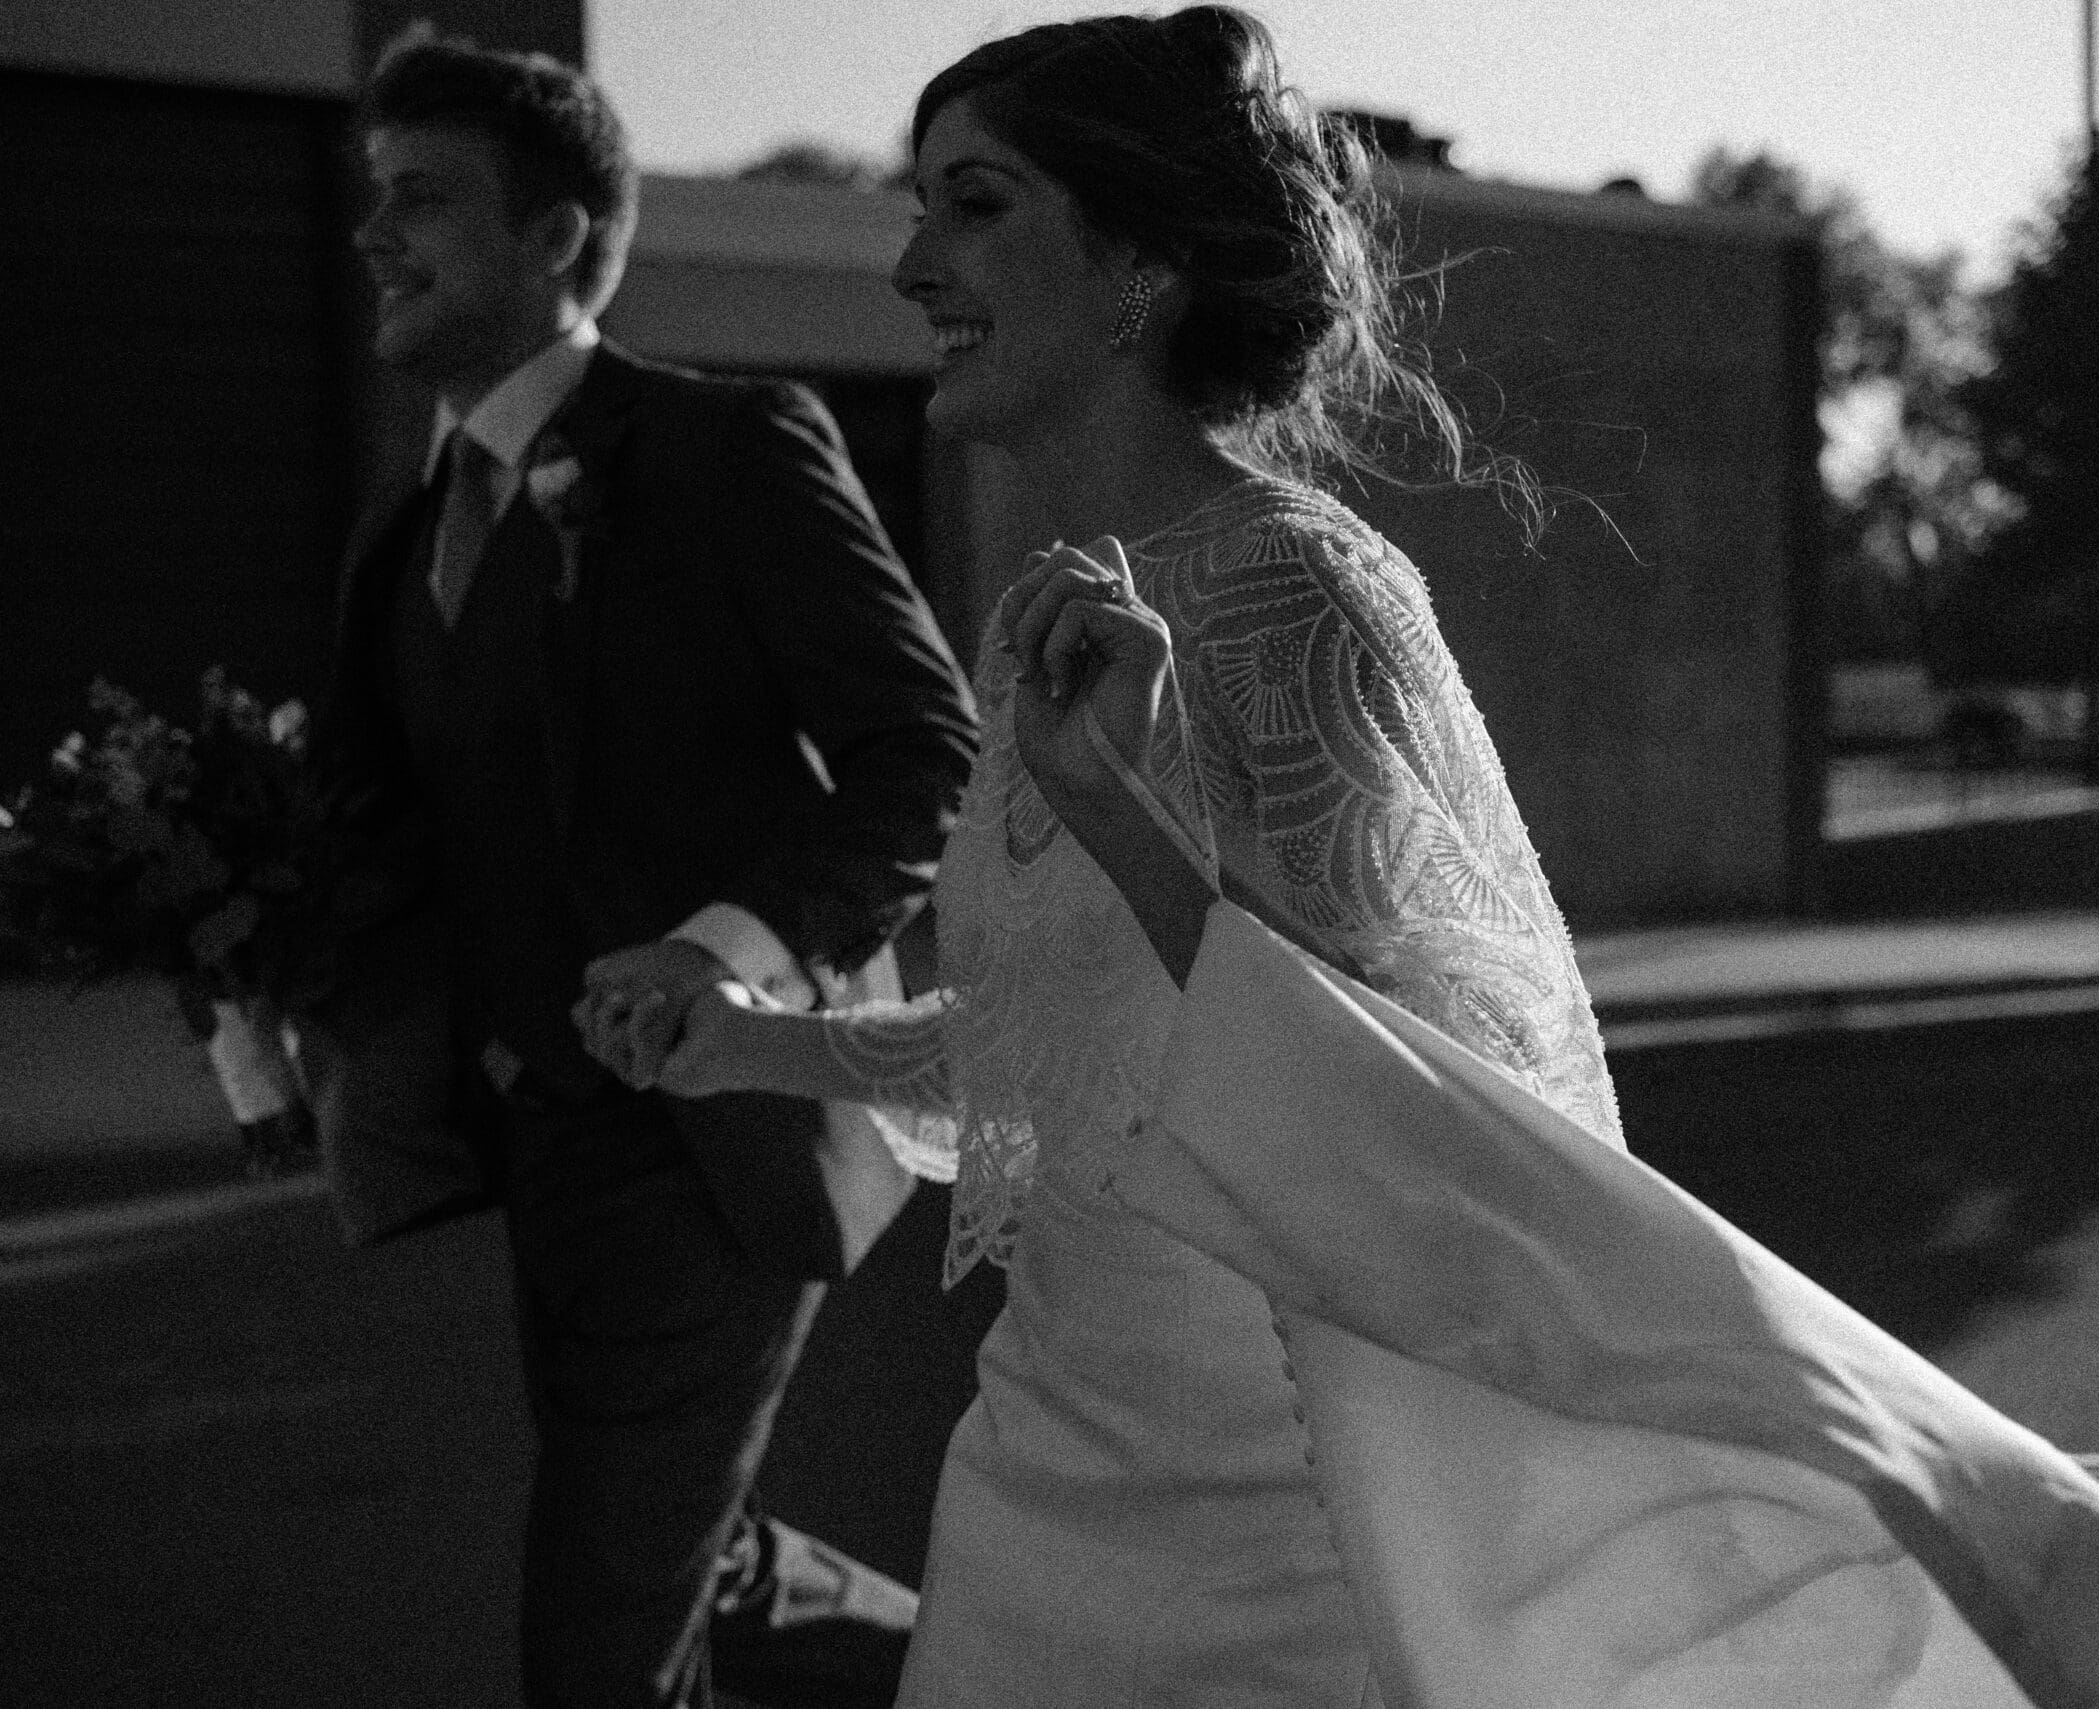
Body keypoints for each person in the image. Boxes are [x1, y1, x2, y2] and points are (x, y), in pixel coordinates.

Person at [579, 8, 1614, 1699]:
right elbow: (1050, 1038)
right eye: (921, 206)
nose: (913, 264)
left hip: (1284, 1517)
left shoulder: (1303, 596)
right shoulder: (1045, 615)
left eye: (973, 205)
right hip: (1040, 1467)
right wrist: (753, 1045)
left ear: (1137, 262)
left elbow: (1430, 1089)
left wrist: (1117, 807)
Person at [303, 27, 979, 1709]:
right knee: (695, 1560)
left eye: (425, 200)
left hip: (710, 1153)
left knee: (598, 1643)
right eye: (372, 200)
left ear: (556, 236)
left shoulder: (725, 448)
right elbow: (406, 836)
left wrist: (726, 948)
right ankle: (993, 1679)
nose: (376, 235)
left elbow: (925, 749)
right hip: (533, 1148)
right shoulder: (402, 534)